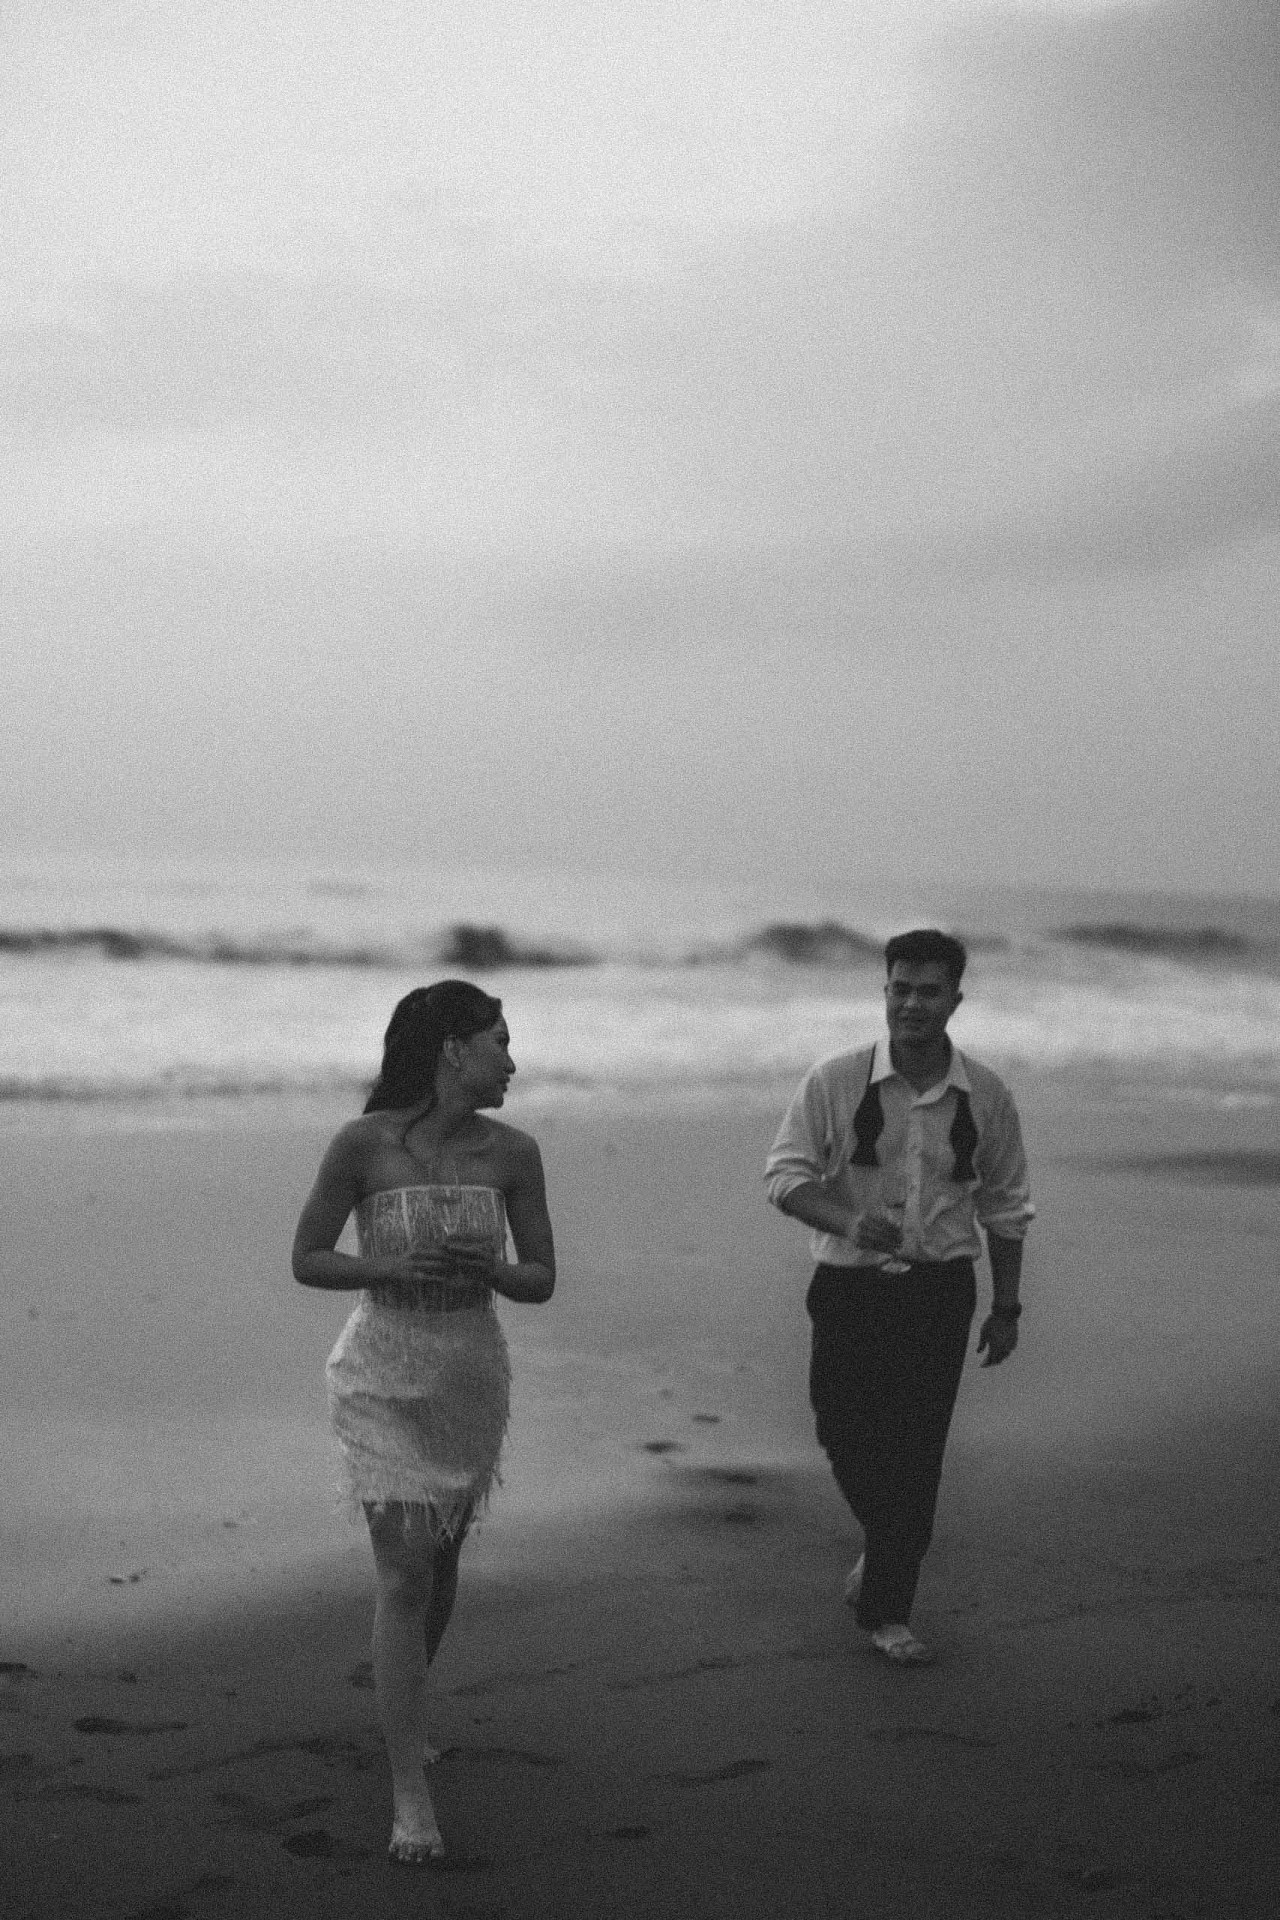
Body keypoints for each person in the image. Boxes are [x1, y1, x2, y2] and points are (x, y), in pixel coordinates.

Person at [292, 980, 555, 1864]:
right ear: (452, 1048)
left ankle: (406, 1712)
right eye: (499, 1042)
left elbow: (541, 1278)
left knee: (439, 1563)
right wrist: (387, 1267)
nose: (511, 1061)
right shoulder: (362, 1144)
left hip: (469, 1377)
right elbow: (307, 1257)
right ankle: (410, 1786)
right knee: (404, 1571)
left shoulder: (514, 1153)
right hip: (380, 1370)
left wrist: (494, 1269)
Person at [764, 929, 1032, 1667]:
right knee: (841, 1430)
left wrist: (1006, 1308)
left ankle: (887, 1610)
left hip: (940, 1291)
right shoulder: (834, 1080)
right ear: (884, 991)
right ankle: (887, 1543)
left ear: (956, 999)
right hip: (847, 1288)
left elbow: (1007, 1206)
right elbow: (784, 1176)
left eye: (929, 991)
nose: (912, 1004)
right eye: (900, 989)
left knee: (918, 1453)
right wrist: (849, 1222)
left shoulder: (987, 1095)